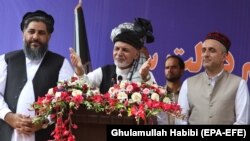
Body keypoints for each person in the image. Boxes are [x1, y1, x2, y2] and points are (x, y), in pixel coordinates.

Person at [0, 10, 74, 141]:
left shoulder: (61, 64)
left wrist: (44, 121)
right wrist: (8, 116)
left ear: (49, 37)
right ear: (23, 34)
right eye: (31, 31)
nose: (35, 37)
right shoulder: (6, 60)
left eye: (41, 33)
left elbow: (67, 101)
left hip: (44, 135)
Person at [177, 32, 250, 124]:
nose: (206, 54)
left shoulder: (239, 84)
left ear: (224, 57)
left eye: (212, 50)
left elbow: (242, 122)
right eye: (203, 50)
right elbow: (180, 120)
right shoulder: (188, 83)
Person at [70, 18, 156, 94]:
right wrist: (79, 70)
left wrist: (145, 78)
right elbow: (83, 86)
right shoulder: (104, 71)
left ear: (136, 54)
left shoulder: (145, 74)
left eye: (125, 50)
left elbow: (155, 98)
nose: (119, 53)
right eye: (116, 48)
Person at [157, 55, 185, 125]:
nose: (169, 70)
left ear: (181, 71)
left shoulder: (187, 94)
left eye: (174, 67)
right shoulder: (158, 95)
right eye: (167, 68)